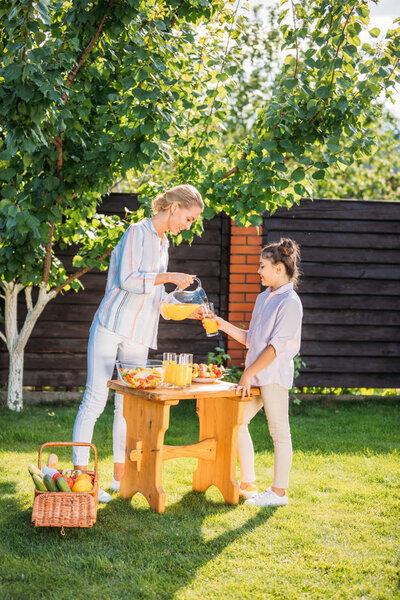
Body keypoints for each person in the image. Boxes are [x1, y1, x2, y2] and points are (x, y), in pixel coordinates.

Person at [72, 184, 204, 499]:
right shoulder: (136, 231)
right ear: (173, 208)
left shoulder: (163, 243)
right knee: (94, 398)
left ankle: (121, 478)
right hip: (110, 326)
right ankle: (81, 478)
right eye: (187, 219)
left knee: (127, 406)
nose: (187, 226)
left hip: (139, 333)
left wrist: (181, 304)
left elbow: (155, 294)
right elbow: (128, 279)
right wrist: (169, 276)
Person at [208, 238, 303, 507]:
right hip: (257, 374)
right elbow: (254, 339)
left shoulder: (290, 302)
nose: (258, 271)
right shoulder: (264, 298)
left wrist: (248, 374)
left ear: (279, 269)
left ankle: (278, 493)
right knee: (235, 423)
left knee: (279, 432)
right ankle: (249, 484)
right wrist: (221, 324)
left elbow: (277, 347)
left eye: (262, 266)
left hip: (272, 377)